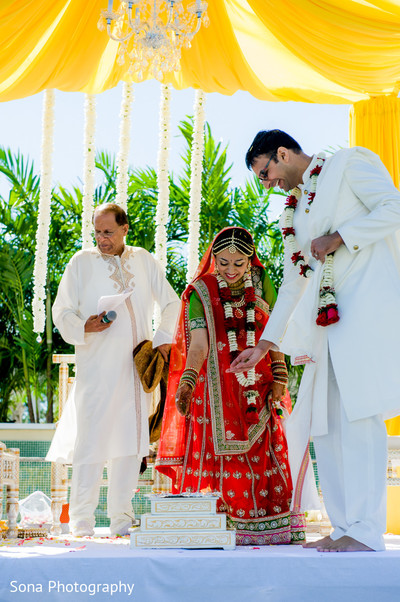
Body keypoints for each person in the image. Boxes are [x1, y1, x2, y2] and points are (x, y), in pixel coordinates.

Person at [230, 129, 400, 552]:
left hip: (362, 314)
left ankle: (366, 530)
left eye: (266, 174)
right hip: (324, 327)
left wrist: (340, 237)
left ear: (283, 153)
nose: (269, 186)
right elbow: (294, 280)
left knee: (359, 421)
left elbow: (393, 207)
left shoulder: (349, 163)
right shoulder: (298, 208)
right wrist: (265, 345)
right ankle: (344, 527)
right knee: (326, 427)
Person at [156, 227, 306, 545]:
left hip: (260, 385)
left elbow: (275, 330)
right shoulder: (201, 291)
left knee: (267, 451)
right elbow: (198, 345)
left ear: (250, 260)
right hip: (216, 390)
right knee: (219, 457)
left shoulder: (262, 282)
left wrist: (280, 374)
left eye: (239, 263)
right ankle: (222, 529)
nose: (231, 269)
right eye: (223, 262)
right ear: (213, 259)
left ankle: (271, 529)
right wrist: (187, 382)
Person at [46, 203, 180, 537]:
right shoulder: (81, 263)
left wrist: (163, 341)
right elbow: (60, 312)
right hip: (96, 368)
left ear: (125, 229)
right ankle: (81, 522)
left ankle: (121, 520)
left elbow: (172, 302)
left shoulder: (144, 259)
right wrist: (84, 326)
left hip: (137, 369)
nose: (101, 239)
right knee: (91, 441)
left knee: (130, 442)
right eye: (97, 232)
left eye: (108, 232)